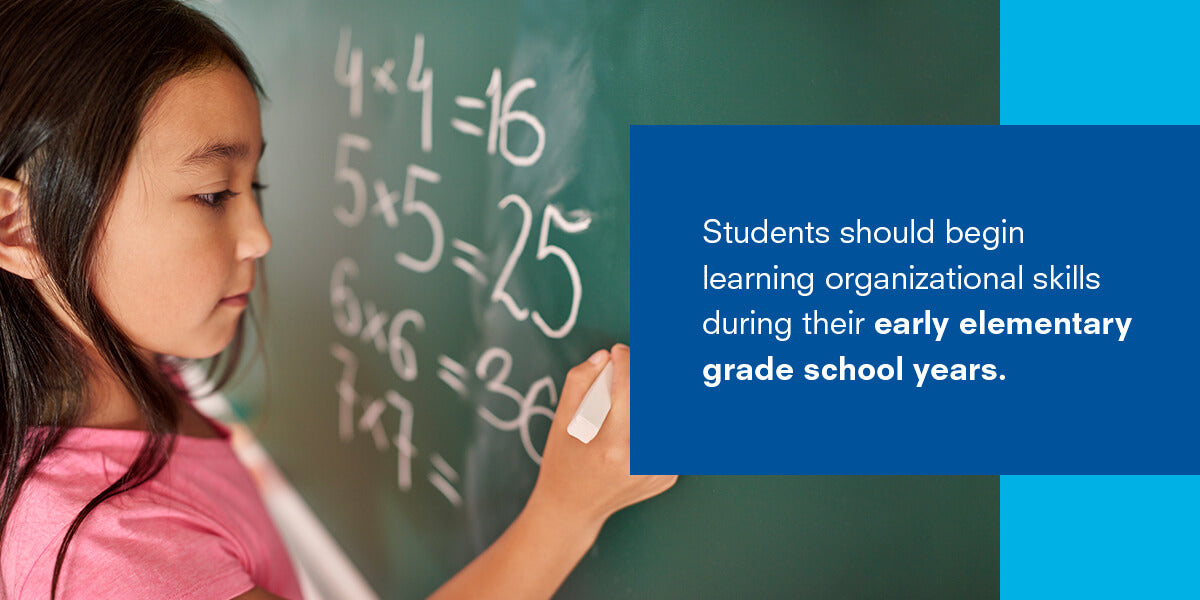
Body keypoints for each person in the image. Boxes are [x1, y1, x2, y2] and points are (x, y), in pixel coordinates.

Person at [0, 1, 675, 598]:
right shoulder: (107, 562)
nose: (260, 238)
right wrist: (565, 513)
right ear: (20, 228)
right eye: (213, 194)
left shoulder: (140, 371)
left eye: (253, 189)